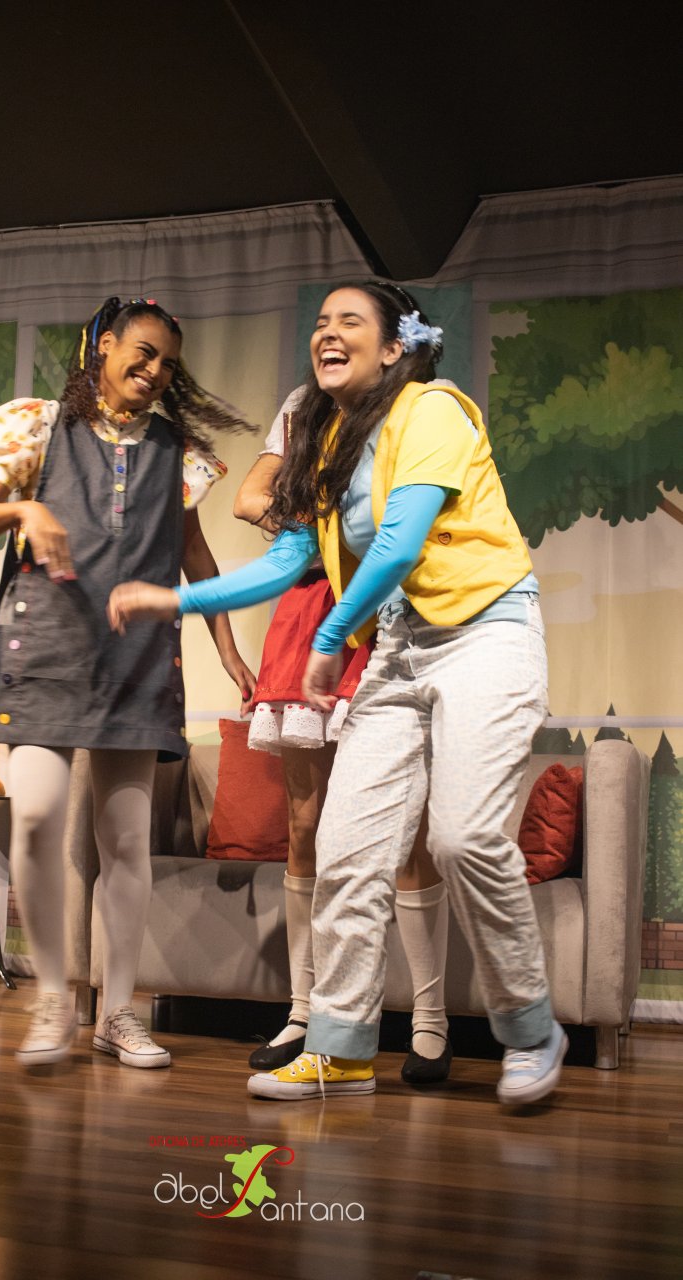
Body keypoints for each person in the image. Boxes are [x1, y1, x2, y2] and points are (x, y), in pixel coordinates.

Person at [108, 280, 566, 1107]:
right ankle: (342, 1048)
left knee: (461, 838)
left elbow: (398, 543)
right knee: (348, 849)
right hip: (399, 649)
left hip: (486, 635)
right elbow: (288, 562)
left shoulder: (432, 410)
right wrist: (174, 600)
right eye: (320, 321)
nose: (327, 331)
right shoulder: (326, 443)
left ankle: (532, 1031)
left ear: (392, 348)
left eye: (348, 320)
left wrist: (327, 641)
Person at [0, 296, 256, 1069]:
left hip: (137, 659)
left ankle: (117, 1013)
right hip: (44, 650)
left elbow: (195, 558)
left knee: (125, 841)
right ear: (105, 346)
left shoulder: (175, 453)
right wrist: (24, 510)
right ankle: (54, 997)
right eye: (143, 353)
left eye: (167, 364)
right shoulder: (38, 428)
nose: (154, 372)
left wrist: (228, 649)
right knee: (34, 819)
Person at [234, 391, 451, 1083]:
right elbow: (247, 497)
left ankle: (429, 1023)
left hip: (390, 612)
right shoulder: (303, 404)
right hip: (308, 612)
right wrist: (316, 536)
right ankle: (305, 1014)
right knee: (305, 825)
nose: (336, 343)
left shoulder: (417, 405)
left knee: (407, 833)